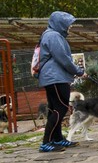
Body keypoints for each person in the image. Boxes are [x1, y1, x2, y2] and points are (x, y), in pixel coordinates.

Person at [37, 11, 86, 152]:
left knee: (55, 109)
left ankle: (57, 139)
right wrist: (79, 71)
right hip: (56, 78)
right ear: (60, 23)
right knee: (61, 108)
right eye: (68, 24)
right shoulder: (54, 36)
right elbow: (63, 59)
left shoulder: (51, 34)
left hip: (53, 77)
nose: (69, 27)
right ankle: (46, 142)